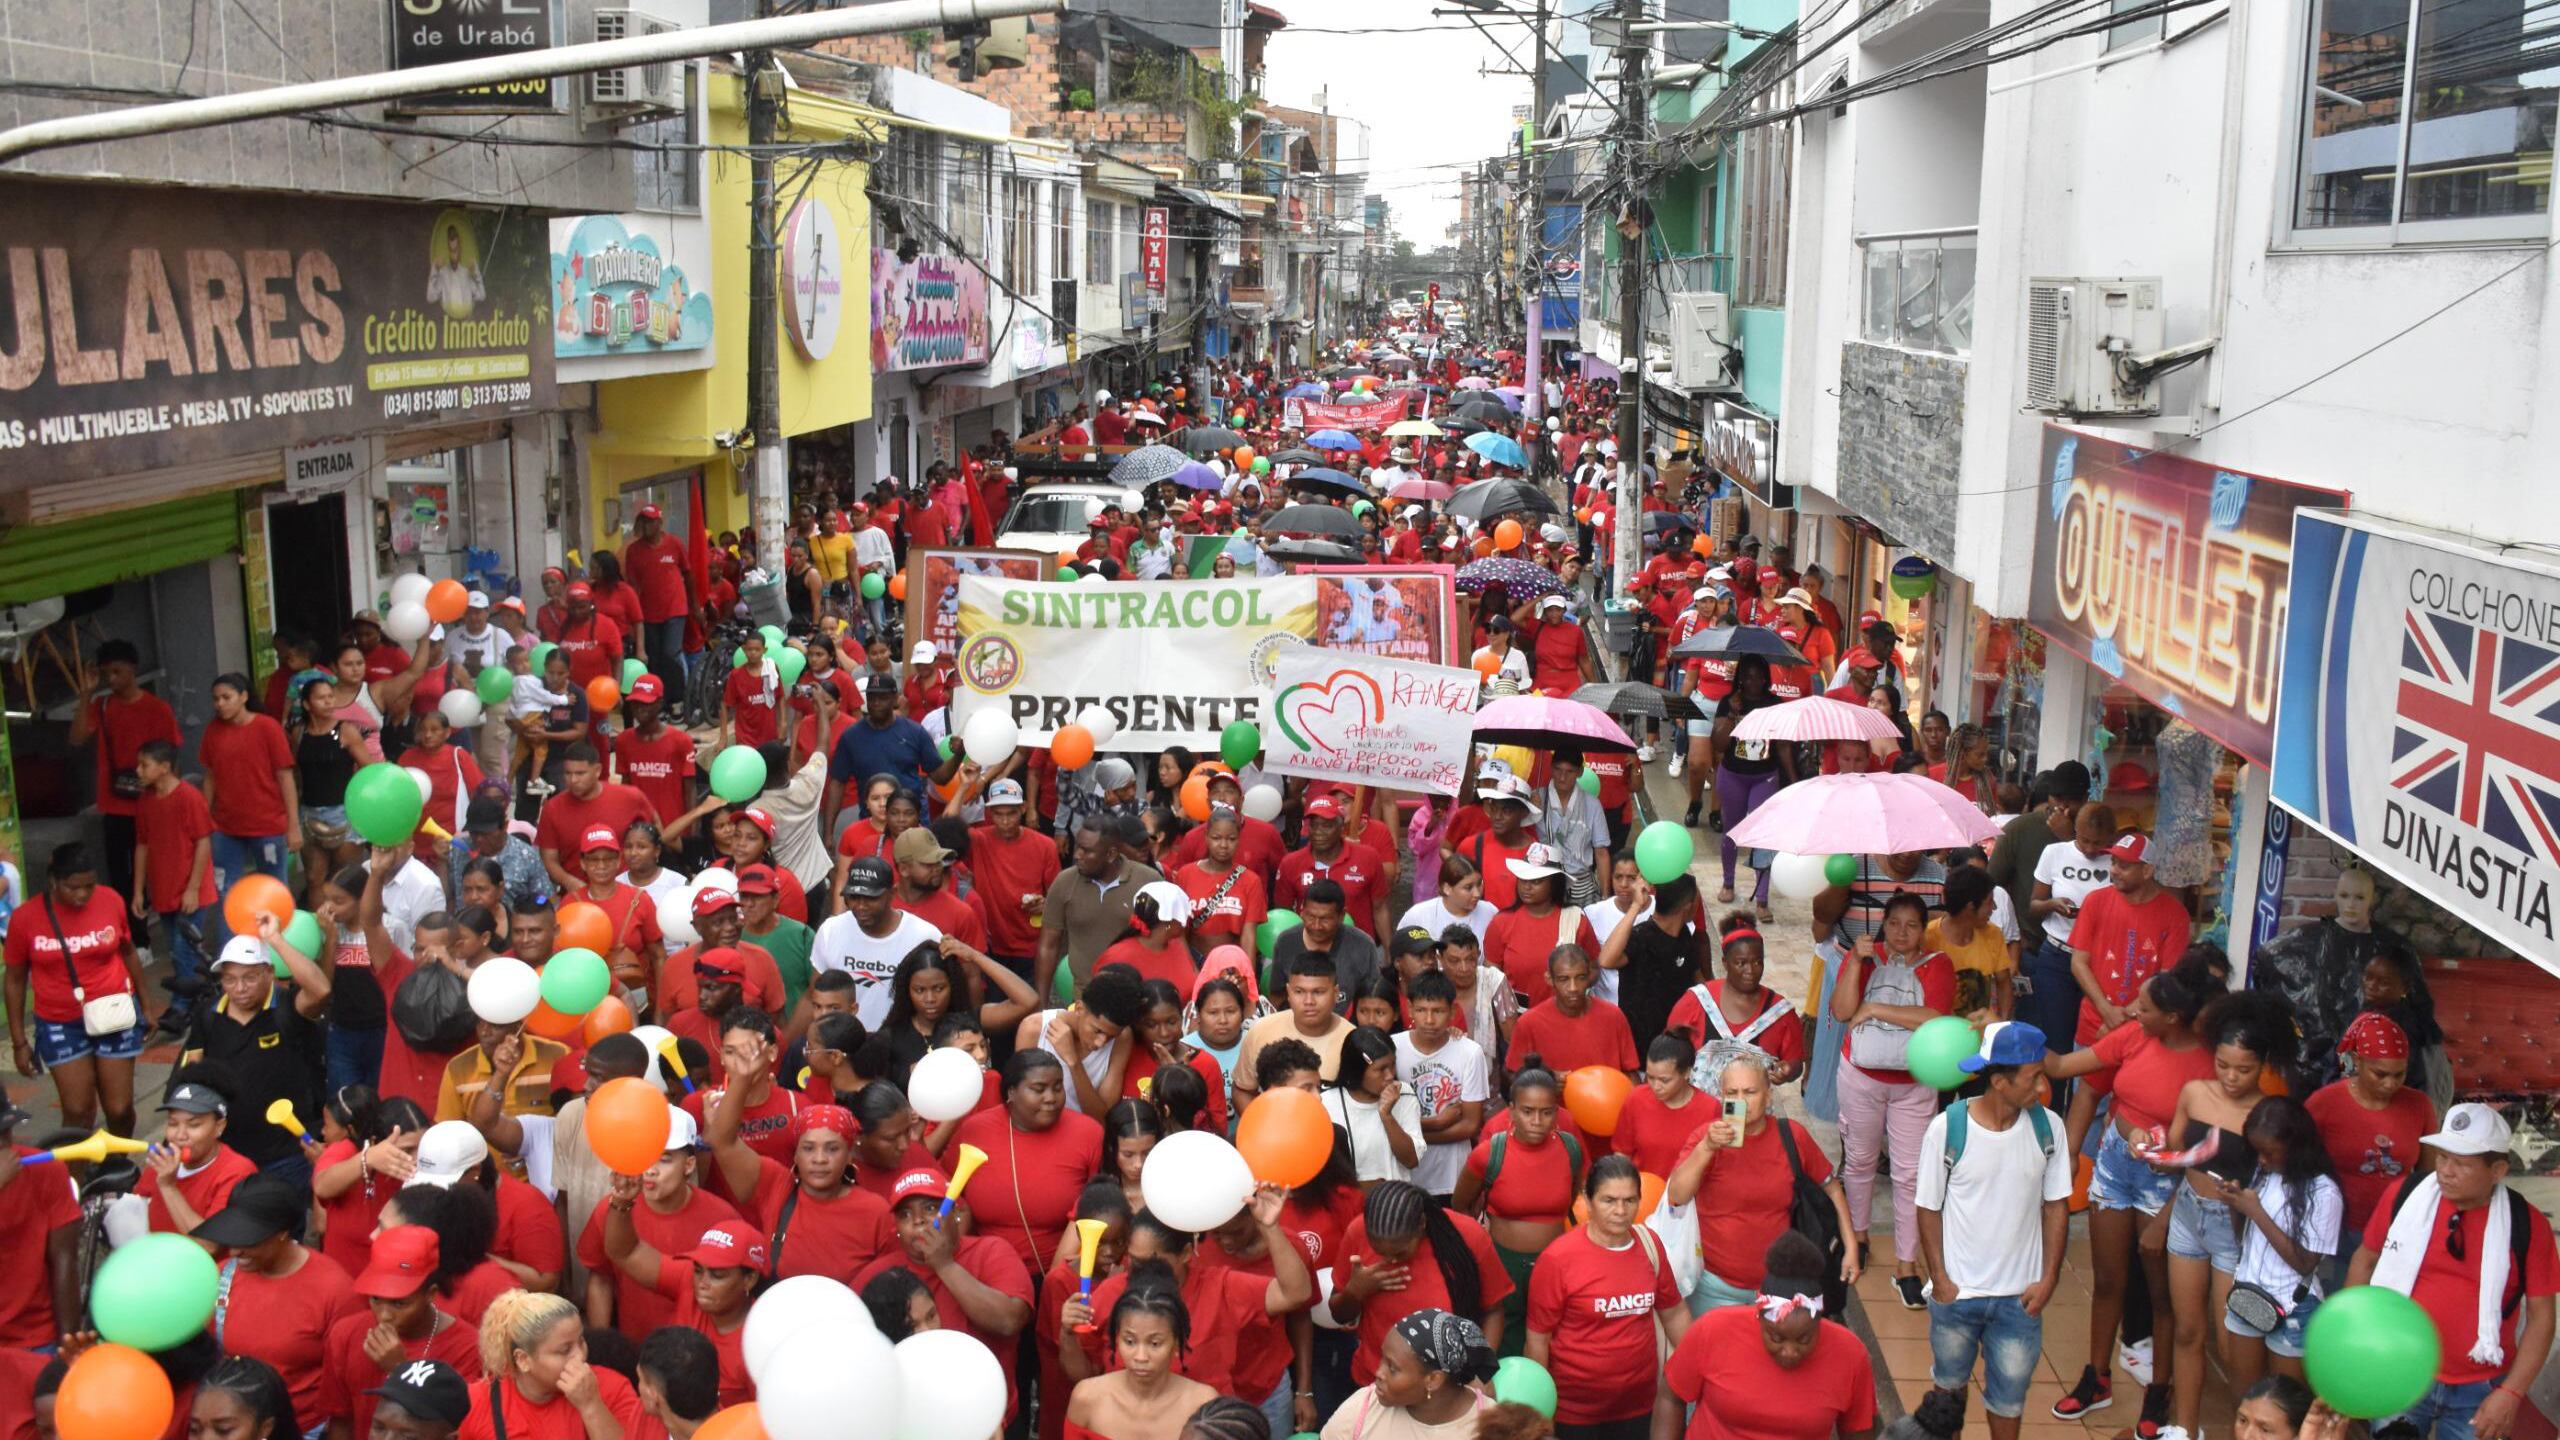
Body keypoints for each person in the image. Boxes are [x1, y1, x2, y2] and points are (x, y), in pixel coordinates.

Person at [2041, 966, 2215, 1426]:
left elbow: (2207, 1152)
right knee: (2108, 1282)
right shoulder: (2134, 1036)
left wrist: (2168, 1215)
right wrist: (2005, 1032)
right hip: (2115, 1167)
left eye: (2146, 1005)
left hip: (2166, 1182)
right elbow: (2060, 1067)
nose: (2134, 1009)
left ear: (2174, 1017)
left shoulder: (2210, 1064)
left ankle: (2158, 1394)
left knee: (2162, 1297)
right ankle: (2095, 1378)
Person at [2347, 1101, 2560, 1440]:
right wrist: (2354, 1336)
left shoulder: (2527, 1225)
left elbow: (2542, 1317)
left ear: (2498, 1170)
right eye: (2443, 1156)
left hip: (2481, 1389)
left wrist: (2511, 1393)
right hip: (2400, 1370)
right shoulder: (2406, 1197)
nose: (2445, 1170)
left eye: (2461, 1163)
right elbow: (2365, 1259)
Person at [1915, 1022, 2071, 1440]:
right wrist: (1942, 1281)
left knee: (2009, 1403)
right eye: (2033, 1077)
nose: (2042, 1086)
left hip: (2020, 1302)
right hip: (1958, 1297)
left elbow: (2056, 1206)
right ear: (1999, 1081)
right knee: (1947, 1395)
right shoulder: (1947, 1129)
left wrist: (2049, 1278)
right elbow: (1927, 1208)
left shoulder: (2049, 1128)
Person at [1828, 890, 1952, 1309]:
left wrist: (1876, 1007)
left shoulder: (1938, 964)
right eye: (1894, 923)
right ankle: (1858, 1236)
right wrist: (1855, 963)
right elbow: (1843, 1011)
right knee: (1860, 1161)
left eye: (1912, 925)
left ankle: (1906, 1265)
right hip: (1861, 1076)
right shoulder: (1865, 955)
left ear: (1924, 930)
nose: (1901, 933)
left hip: (1915, 1083)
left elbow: (1934, 1017)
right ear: (1883, 923)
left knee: (1911, 1174)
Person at [1525, 1156, 1691, 1440]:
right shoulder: (1557, 1260)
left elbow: (1674, 1314)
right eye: (1609, 1200)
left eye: (1629, 1200)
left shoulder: (1650, 1246)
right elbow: (1538, 1340)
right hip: (1574, 1415)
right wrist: (1544, 1416)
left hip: (1641, 1407)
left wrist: (1700, 1369)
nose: (1620, 1211)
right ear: (1587, 1201)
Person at [192, 1172, 365, 1424]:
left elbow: (349, 1386)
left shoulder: (336, 1292)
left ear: (282, 1232)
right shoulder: (220, 1277)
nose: (235, 1250)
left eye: (247, 1239)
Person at [5, 842, 152, 1136]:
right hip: (60, 1021)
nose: (83, 894)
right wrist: (19, 1042)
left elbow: (128, 952)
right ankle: (74, 1180)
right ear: (53, 882)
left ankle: (116, 1169)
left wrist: (146, 1007)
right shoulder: (25, 919)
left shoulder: (110, 900)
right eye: (73, 887)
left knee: (120, 1109)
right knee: (77, 1111)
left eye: (89, 885)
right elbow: (15, 979)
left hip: (113, 1012)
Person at [2208, 1097, 2343, 1392]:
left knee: (2284, 1406)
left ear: (2295, 1146)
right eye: (2257, 1152)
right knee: (2245, 1397)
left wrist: (2256, 1211)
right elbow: (2243, 1238)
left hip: (2294, 1306)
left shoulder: (2324, 1192)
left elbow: (2305, 1262)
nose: (2262, 1161)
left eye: (2269, 1153)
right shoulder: (2260, 1174)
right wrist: (2236, 1205)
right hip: (2249, 1294)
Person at [179, 929, 331, 1189]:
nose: (239, 988)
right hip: (229, 1155)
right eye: (230, 979)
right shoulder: (207, 1014)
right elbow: (193, 1076)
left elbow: (320, 990)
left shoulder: (287, 1007)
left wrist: (275, 939)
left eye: (250, 978)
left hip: (287, 1155)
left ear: (269, 973)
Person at [572, 1108, 742, 1339]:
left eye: (664, 1159)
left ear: (689, 1165)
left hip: (698, 1355)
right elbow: (601, 1278)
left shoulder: (722, 1219)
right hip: (634, 1352)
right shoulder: (612, 1210)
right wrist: (605, 1349)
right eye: (644, 1156)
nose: (650, 1170)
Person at [1326, 1181, 1512, 1384]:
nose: (1391, 1260)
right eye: (1379, 1252)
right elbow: (1339, 1315)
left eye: (1400, 1252)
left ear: (1422, 1224)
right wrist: (1355, 1291)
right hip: (1378, 1383)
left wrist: (1479, 1373)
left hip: (1448, 1387)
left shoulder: (1468, 1237)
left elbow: (1493, 1311)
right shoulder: (1357, 1231)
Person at [1452, 1060, 1577, 1355]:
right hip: (1502, 1261)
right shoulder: (1490, 1153)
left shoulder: (1569, 1148)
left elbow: (1572, 1197)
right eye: (1528, 1111)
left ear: (1556, 1113)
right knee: (1504, 1334)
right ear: (1511, 1111)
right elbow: (1461, 1203)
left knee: (1555, 1332)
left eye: (1546, 1112)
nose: (1537, 1120)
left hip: (1555, 1262)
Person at [2306, 1013, 2437, 1288]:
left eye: (2399, 1074)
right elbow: (2301, 1165)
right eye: (2380, 1074)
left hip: (2397, 1232)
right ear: (2358, 1062)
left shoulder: (2420, 1106)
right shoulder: (2324, 1104)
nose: (2390, 1083)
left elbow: (2427, 1176)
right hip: (2337, 1232)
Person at [955, 1049, 1105, 1276]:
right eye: (1038, 1089)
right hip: (984, 1273)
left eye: (1057, 1087)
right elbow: (949, 1194)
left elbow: (1101, 1206)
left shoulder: (1089, 1133)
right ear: (1011, 1092)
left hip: (1061, 1274)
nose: (1051, 1098)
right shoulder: (975, 1130)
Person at [597, 1207, 764, 1407]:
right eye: (698, 1270)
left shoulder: (758, 1345)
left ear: (749, 1280)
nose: (702, 1283)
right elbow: (625, 1252)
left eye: (717, 1275)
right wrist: (621, 1204)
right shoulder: (688, 1280)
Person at [69, 637, 183, 904]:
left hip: (151, 801)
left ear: (133, 669)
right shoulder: (103, 705)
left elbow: (173, 757)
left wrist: (171, 799)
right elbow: (76, 738)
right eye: (106, 673)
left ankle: (150, 930)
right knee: (120, 873)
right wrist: (86, 693)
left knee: (155, 869)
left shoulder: (157, 709)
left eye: (117, 671)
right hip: (115, 803)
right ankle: (135, 935)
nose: (111, 678)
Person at [460, 1290, 646, 1440]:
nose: (580, 1356)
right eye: (564, 1350)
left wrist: (591, 1405)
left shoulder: (612, 1387)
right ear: (523, 1360)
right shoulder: (476, 1403)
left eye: (581, 1341)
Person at [2069, 834, 2191, 1048]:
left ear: (2147, 871)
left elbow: (2167, 976)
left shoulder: (2175, 914)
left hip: (2142, 1033)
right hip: (2093, 1027)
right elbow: (2079, 962)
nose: (2114, 870)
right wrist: (2106, 1010)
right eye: (2113, 862)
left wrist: (2120, 1019)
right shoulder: (2095, 901)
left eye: (2123, 866)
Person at [1064, 1282, 1221, 1440]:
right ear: (1117, 1339)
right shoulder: (1087, 1397)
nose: (1140, 1357)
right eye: (1130, 1341)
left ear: (1176, 1344)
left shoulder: (1202, 1404)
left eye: (1154, 1344)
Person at [1663, 917, 1806, 1085]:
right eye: (1741, 963)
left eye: (1757, 962)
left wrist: (1787, 1070)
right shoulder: (1697, 1000)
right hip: (1699, 1107)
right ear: (1725, 963)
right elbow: (1669, 1047)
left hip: (1753, 1109)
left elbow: (1795, 1062)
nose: (1750, 970)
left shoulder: (1780, 1012)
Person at [1318, 1308, 1497, 1440]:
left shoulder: (1492, 1426)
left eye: (1393, 1368)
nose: (1378, 1373)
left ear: (1433, 1380)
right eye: (1383, 1359)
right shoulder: (1361, 1409)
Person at [201, 671, 304, 888]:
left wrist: (293, 826)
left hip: (268, 827)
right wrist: (204, 820)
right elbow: (210, 777)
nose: (220, 704)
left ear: (244, 697)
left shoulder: (268, 728)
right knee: (223, 890)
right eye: (216, 699)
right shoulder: (213, 730)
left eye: (226, 697)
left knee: (274, 888)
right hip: (225, 827)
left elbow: (286, 778)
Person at [1392, 971, 1489, 1202]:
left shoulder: (1470, 1052)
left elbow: (1470, 1125)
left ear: (1452, 1012)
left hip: (1452, 1178)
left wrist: (1411, 1139)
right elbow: (1384, 1118)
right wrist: (1437, 1123)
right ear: (1410, 1009)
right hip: (1405, 1176)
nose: (1429, 1020)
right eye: (1422, 1010)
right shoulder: (1393, 1048)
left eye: (1438, 1011)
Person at [1711, 656, 1793, 917]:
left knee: (1762, 834)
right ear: (1740, 678)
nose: (1753, 682)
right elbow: (1719, 745)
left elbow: (1782, 745)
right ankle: (1728, 881)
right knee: (1732, 830)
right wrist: (1733, 715)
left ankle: (1762, 897)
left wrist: (1792, 777)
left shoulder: (1774, 705)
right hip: (1733, 774)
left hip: (1764, 776)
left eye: (1758, 677)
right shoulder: (1729, 702)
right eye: (1747, 676)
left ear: (1766, 678)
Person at [1481, 847, 1596, 1010]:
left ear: (1554, 883)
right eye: (1523, 879)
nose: (1527, 887)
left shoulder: (1576, 919)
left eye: (1536, 881)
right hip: (1516, 1018)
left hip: (1567, 1015)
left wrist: (1572, 993)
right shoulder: (1501, 922)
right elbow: (1490, 976)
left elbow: (1593, 967)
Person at [1233, 954, 1355, 1104]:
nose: (1309, 1001)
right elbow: (1242, 1090)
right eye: (1299, 991)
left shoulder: (1352, 1040)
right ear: (1288, 992)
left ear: (1336, 993)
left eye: (1318, 992)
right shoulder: (1261, 1031)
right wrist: (1264, 1125)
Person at [1326, 1026, 1423, 1185]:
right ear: (1356, 1071)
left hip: (1394, 1202)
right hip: (1351, 1204)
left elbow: (1411, 1160)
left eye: (1392, 1065)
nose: (1390, 1075)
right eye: (1380, 1069)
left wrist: (1386, 1115)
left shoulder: (1404, 1093)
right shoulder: (1328, 1103)